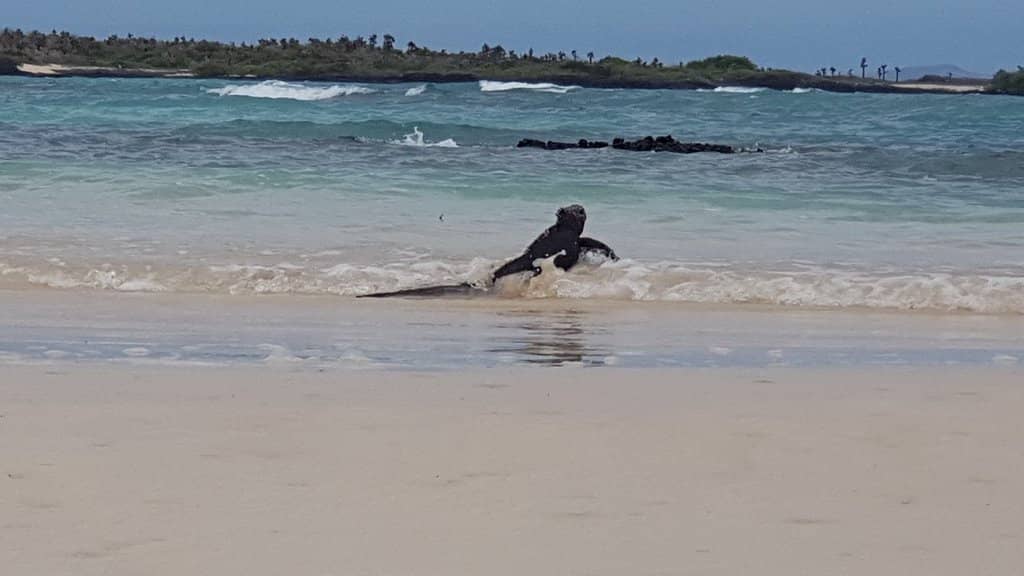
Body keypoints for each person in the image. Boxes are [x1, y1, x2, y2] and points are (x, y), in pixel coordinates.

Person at [492, 204, 618, 282]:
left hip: (534, 262)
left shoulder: (566, 233)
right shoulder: (566, 233)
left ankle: (489, 282)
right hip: (532, 262)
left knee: (501, 276)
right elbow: (569, 258)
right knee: (501, 275)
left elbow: (585, 244)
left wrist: (609, 253)